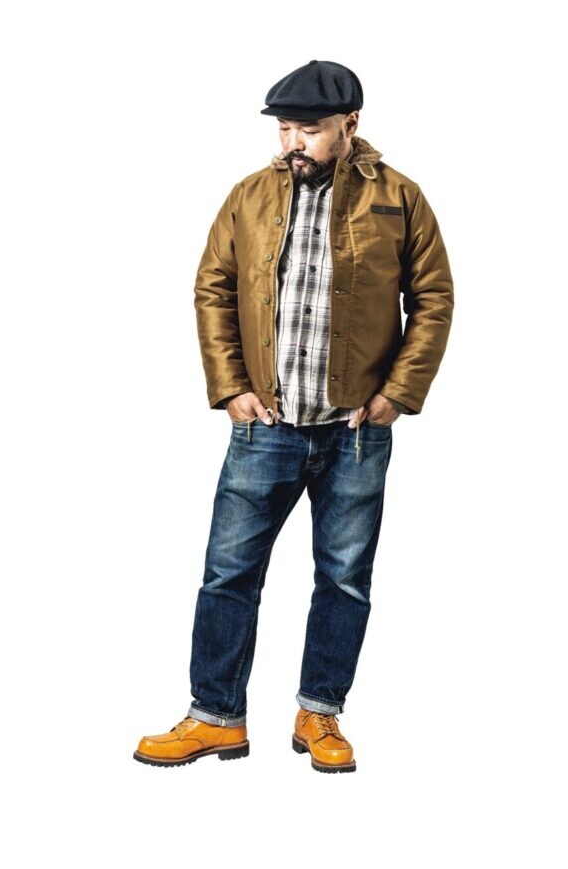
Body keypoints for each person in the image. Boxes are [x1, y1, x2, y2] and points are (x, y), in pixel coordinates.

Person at [134, 59, 454, 773]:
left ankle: (319, 714)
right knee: (228, 575)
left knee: (343, 579)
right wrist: (230, 387)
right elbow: (212, 287)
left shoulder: (400, 199)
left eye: (308, 129)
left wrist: (398, 393)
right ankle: (215, 717)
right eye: (284, 129)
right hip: (265, 429)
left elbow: (432, 297)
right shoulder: (249, 196)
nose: (292, 143)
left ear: (350, 125)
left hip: (355, 432)